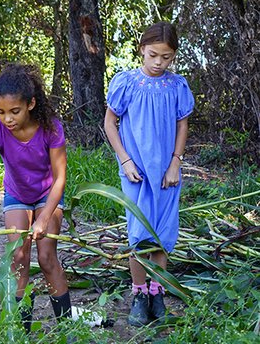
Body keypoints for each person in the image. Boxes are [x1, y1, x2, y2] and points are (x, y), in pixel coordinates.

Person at [104, 21, 194, 327]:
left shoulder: (176, 85)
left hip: (166, 173)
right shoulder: (127, 83)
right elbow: (109, 123)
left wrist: (175, 163)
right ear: (142, 49)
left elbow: (182, 124)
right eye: (153, 54)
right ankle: (139, 294)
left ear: (173, 56)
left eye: (166, 57)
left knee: (163, 233)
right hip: (137, 173)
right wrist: (126, 160)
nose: (158, 62)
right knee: (139, 234)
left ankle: (157, 292)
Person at [0, 64, 71, 333]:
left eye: (14, 111)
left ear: (31, 104)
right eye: (1, 112)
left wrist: (45, 217)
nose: (8, 119)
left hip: (47, 195)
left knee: (48, 256)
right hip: (17, 194)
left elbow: (60, 179)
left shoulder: (51, 129)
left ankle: (67, 329)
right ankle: (21, 331)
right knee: (18, 256)